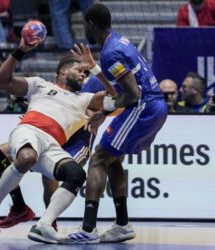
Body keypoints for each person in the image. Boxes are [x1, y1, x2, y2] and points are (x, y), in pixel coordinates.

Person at [0, 38, 108, 243]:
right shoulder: (39, 84)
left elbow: (119, 94)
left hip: (52, 144)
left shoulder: (85, 99)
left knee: (76, 175)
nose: (84, 75)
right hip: (29, 130)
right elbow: (0, 81)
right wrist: (20, 49)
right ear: (63, 71)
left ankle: (44, 225)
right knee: (25, 156)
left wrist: (95, 68)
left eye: (86, 73)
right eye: (80, 70)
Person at [65, 3, 168, 244]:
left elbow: (132, 95)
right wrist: (104, 105)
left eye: (84, 24)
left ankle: (88, 229)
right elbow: (121, 88)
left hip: (143, 106)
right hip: (152, 105)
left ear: (91, 24)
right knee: (112, 159)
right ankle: (122, 224)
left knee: (99, 158)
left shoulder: (111, 52)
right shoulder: (118, 41)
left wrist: (105, 109)